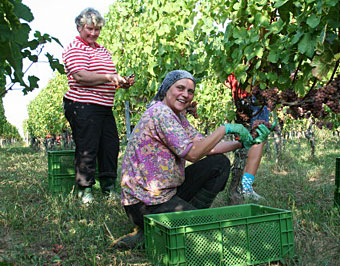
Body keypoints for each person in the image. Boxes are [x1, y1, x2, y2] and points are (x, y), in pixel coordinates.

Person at [112, 70, 271, 249]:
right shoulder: (160, 113)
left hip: (165, 193)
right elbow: (193, 154)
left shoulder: (177, 116)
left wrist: (242, 143)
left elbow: (205, 147)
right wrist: (224, 129)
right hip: (144, 204)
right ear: (166, 89)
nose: (186, 95)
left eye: (190, 91)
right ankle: (156, 230)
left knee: (219, 164)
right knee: (206, 229)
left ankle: (181, 221)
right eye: (180, 88)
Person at [62, 8, 129, 204]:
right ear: (79, 27)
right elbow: (81, 76)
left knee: (110, 146)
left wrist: (120, 82)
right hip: (82, 104)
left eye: (97, 29)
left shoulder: (101, 50)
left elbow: (106, 78)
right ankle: (85, 190)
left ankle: (108, 187)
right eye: (89, 28)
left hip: (103, 107)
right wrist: (110, 77)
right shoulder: (75, 48)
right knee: (87, 146)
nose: (93, 33)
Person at [225, 74, 275, 200]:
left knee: (248, 138)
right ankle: (246, 187)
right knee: (258, 139)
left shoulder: (237, 61)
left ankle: (242, 185)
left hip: (239, 96)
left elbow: (226, 81)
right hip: (256, 95)